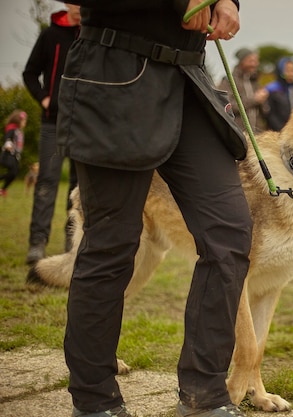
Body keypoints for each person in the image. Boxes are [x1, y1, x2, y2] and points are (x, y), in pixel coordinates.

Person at [55, 1, 252, 416]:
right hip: (114, 71)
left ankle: (204, 397)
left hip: (190, 79)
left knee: (229, 234)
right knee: (112, 244)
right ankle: (94, 402)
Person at [23, 3, 81, 265]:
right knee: (46, 183)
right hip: (53, 125)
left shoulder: (93, 34)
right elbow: (30, 73)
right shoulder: (50, 35)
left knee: (80, 189)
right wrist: (46, 99)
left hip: (86, 126)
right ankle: (37, 242)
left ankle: (73, 244)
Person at [218, 47, 268, 133]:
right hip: (237, 133)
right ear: (241, 62)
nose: (254, 64)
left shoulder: (255, 82)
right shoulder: (229, 81)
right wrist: (255, 100)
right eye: (250, 61)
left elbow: (264, 112)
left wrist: (263, 101)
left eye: (256, 61)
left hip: (257, 134)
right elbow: (227, 106)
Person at [263, 56, 293, 131]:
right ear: (281, 71)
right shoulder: (272, 89)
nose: (291, 73)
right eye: (287, 70)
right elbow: (270, 114)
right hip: (277, 131)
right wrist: (282, 129)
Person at [0, 110, 28, 196]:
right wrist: (8, 144)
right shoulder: (12, 128)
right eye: (24, 121)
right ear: (18, 120)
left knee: (15, 173)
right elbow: (7, 137)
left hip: (15, 155)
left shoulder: (19, 130)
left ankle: (3, 189)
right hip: (8, 154)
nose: (25, 123)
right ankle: (3, 189)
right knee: (13, 171)